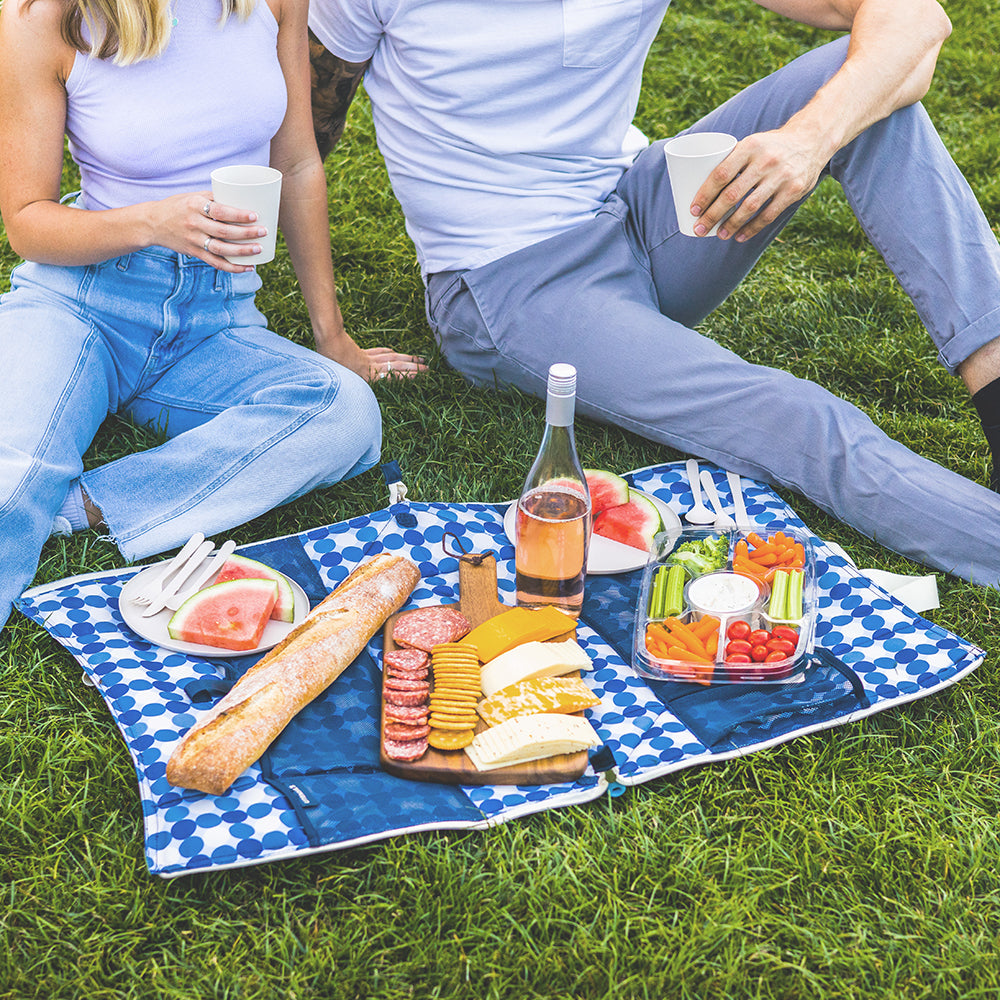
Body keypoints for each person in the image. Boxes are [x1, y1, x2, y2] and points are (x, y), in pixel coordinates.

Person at [306, 0, 1000, 587]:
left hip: (641, 205)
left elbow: (917, 22)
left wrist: (808, 140)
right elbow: (304, 136)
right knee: (799, 418)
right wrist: (330, 334)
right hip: (510, 283)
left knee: (871, 87)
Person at [0, 0, 426, 630]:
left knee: (344, 415)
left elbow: (298, 162)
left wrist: (332, 337)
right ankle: (29, 493)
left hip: (216, 318)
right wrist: (151, 221)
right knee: (11, 481)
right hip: (83, 304)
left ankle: (77, 505)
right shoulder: (41, 18)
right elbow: (28, 224)